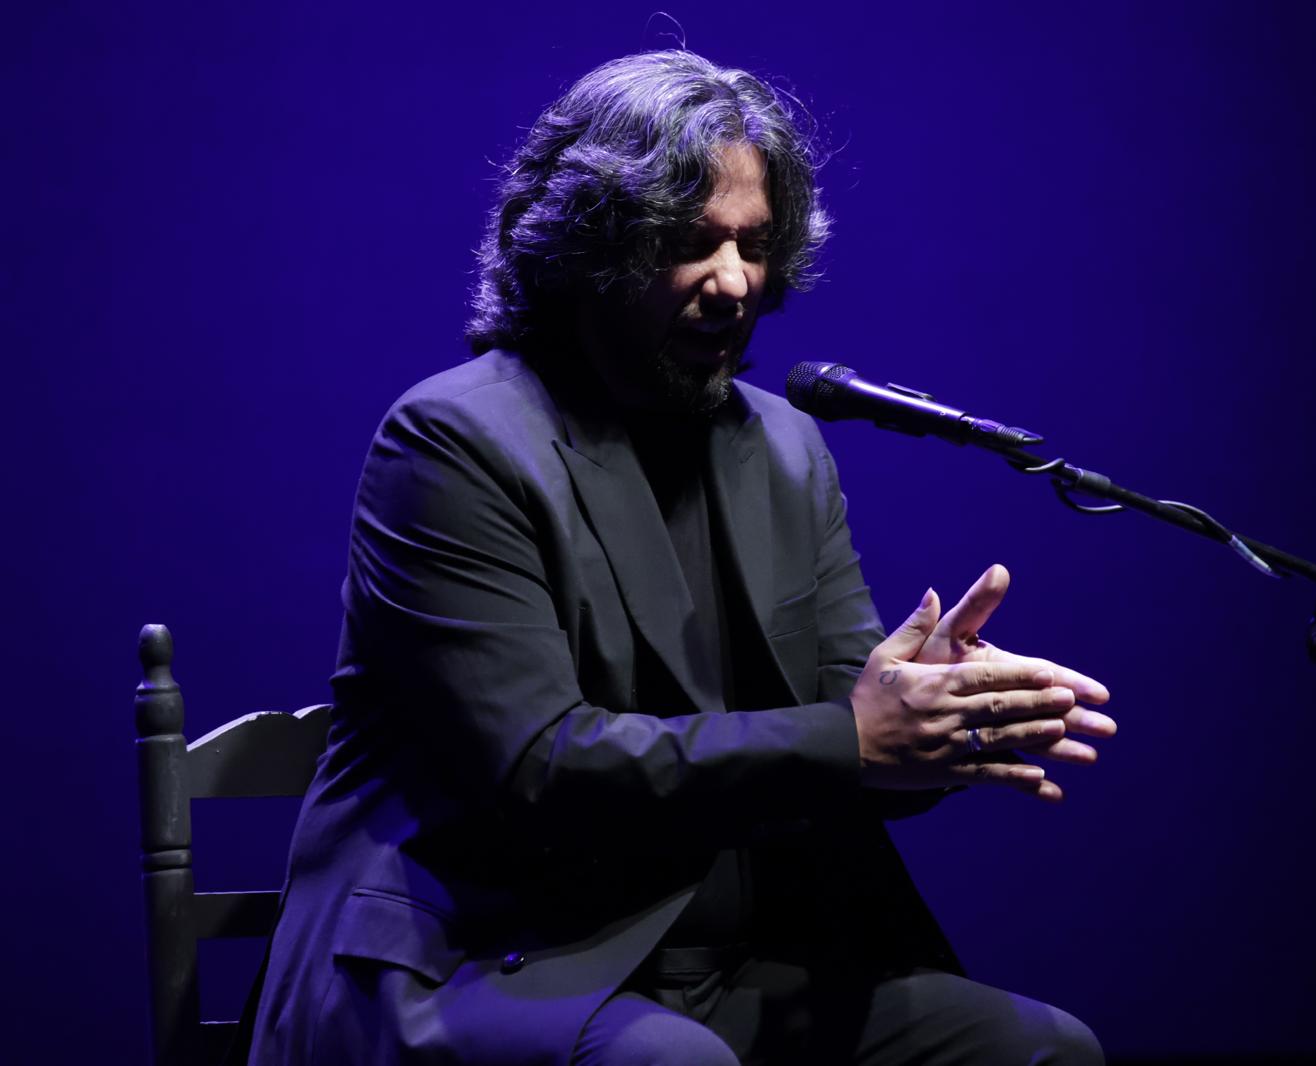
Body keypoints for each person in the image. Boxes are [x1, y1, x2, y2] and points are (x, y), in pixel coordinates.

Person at [247, 50, 1117, 1066]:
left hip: (723, 969)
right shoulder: (453, 440)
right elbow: (538, 766)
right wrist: (859, 735)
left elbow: (851, 728)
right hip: (482, 960)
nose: (734, 281)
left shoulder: (785, 447)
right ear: (585, 247)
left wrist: (937, 719)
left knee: (1044, 1051)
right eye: (689, 242)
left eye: (754, 244)